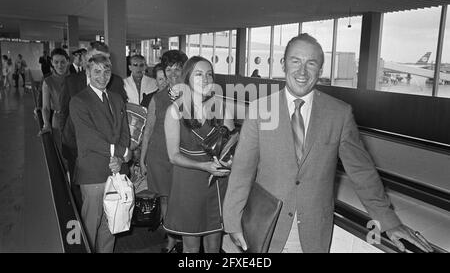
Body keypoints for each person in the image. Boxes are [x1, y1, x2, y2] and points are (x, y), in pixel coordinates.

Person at [223, 33, 434, 253]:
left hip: (312, 230)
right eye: (295, 61)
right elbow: (242, 170)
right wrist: (232, 220)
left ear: (320, 70)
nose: (302, 71)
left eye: (311, 63)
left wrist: (389, 222)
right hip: (266, 225)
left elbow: (361, 171)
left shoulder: (339, 114)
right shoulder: (260, 109)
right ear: (283, 64)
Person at [163, 56, 234, 253]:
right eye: (199, 74)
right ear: (187, 78)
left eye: (209, 74)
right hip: (189, 181)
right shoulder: (174, 111)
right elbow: (173, 155)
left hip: (216, 181)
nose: (205, 79)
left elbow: (230, 147)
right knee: (191, 246)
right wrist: (203, 166)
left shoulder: (220, 108)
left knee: (214, 243)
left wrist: (228, 162)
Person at [69, 54, 130, 253]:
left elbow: (124, 131)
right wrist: (122, 152)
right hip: (93, 173)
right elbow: (90, 139)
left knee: (111, 224)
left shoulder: (116, 98)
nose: (102, 77)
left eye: (106, 72)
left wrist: (120, 159)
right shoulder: (79, 101)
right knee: (89, 226)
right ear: (88, 72)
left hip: (116, 171)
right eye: (97, 71)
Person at [59, 41, 127, 208]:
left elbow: (121, 119)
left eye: (105, 61)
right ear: (87, 60)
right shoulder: (72, 82)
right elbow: (64, 114)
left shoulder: (116, 83)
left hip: (112, 157)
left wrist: (121, 155)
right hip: (79, 146)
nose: (102, 74)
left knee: (112, 217)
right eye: (96, 61)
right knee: (87, 202)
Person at [139, 50, 187, 253]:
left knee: (183, 198)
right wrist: (142, 159)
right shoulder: (156, 98)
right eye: (169, 69)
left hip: (183, 156)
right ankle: (171, 238)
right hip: (158, 155)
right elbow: (148, 129)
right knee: (165, 199)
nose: (173, 73)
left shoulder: (194, 97)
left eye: (178, 69)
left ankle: (186, 235)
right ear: (164, 71)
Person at [39, 48, 70, 151]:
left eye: (62, 62)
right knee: (61, 151)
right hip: (58, 120)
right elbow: (46, 107)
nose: (59, 65)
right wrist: (46, 124)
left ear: (68, 61)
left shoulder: (75, 79)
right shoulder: (48, 82)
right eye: (56, 62)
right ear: (51, 62)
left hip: (74, 119)